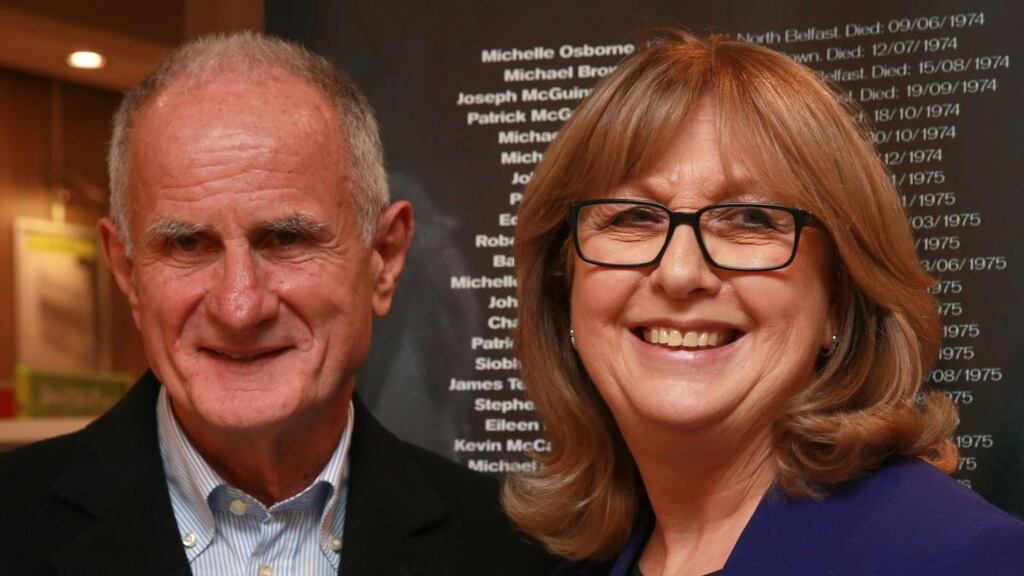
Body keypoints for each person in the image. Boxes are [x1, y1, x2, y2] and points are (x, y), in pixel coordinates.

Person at [0, 32, 556, 576]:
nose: (239, 307)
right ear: (126, 271)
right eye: (188, 244)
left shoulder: (514, 553)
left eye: (286, 240)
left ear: (383, 259)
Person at [504, 29, 1024, 575]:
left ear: (839, 300)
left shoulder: (958, 557)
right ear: (564, 288)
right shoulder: (583, 567)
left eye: (751, 220)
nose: (680, 273)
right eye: (633, 217)